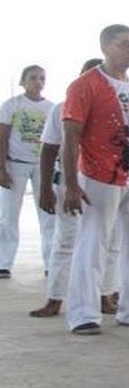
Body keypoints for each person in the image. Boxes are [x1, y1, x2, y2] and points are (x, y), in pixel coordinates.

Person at [63, 24, 129, 335]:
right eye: (125, 44)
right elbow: (70, 137)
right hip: (99, 176)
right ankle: (83, 314)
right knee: (93, 244)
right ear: (106, 48)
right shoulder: (86, 85)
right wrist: (71, 184)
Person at [29, 58, 121, 318]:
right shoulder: (61, 108)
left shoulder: (116, 106)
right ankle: (55, 298)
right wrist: (45, 188)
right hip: (70, 183)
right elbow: (48, 150)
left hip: (108, 182)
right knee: (66, 240)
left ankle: (105, 295)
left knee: (111, 242)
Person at [0, 65, 55, 278]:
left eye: (42, 78)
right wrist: (2, 168)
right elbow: (2, 137)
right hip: (16, 164)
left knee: (49, 214)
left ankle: (52, 263)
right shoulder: (11, 105)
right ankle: (4, 262)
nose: (38, 82)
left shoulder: (51, 108)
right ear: (23, 81)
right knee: (9, 215)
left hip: (42, 165)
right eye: (33, 78)